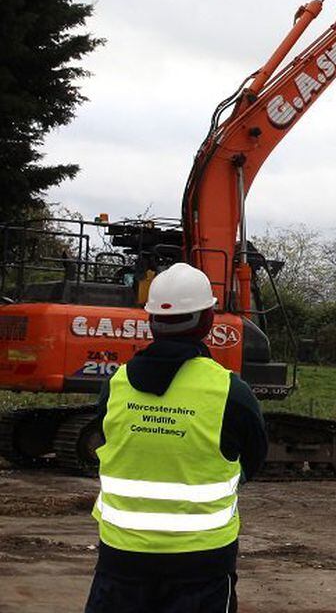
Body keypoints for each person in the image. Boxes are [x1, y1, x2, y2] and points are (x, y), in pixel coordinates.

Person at [85, 262, 268, 613]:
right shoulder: (230, 391)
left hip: (122, 559)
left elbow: (103, 439)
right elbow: (253, 459)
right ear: (208, 319)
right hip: (202, 564)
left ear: (152, 320)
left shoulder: (116, 386)